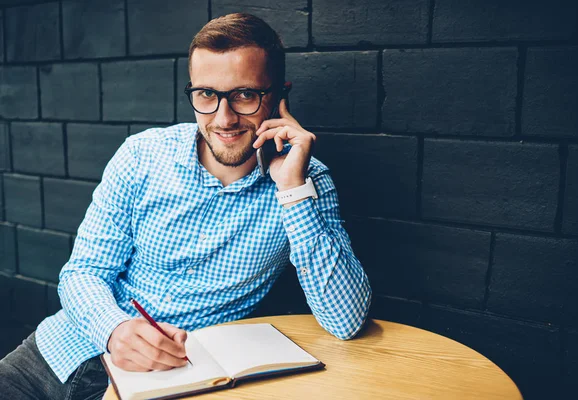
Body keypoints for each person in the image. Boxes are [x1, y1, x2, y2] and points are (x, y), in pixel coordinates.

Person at [0, 13, 371, 399]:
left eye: (244, 95)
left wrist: (292, 189)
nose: (223, 119)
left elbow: (345, 320)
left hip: (167, 380)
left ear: (278, 96)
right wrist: (114, 329)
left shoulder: (307, 181)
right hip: (61, 351)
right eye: (207, 95)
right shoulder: (142, 155)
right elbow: (84, 271)